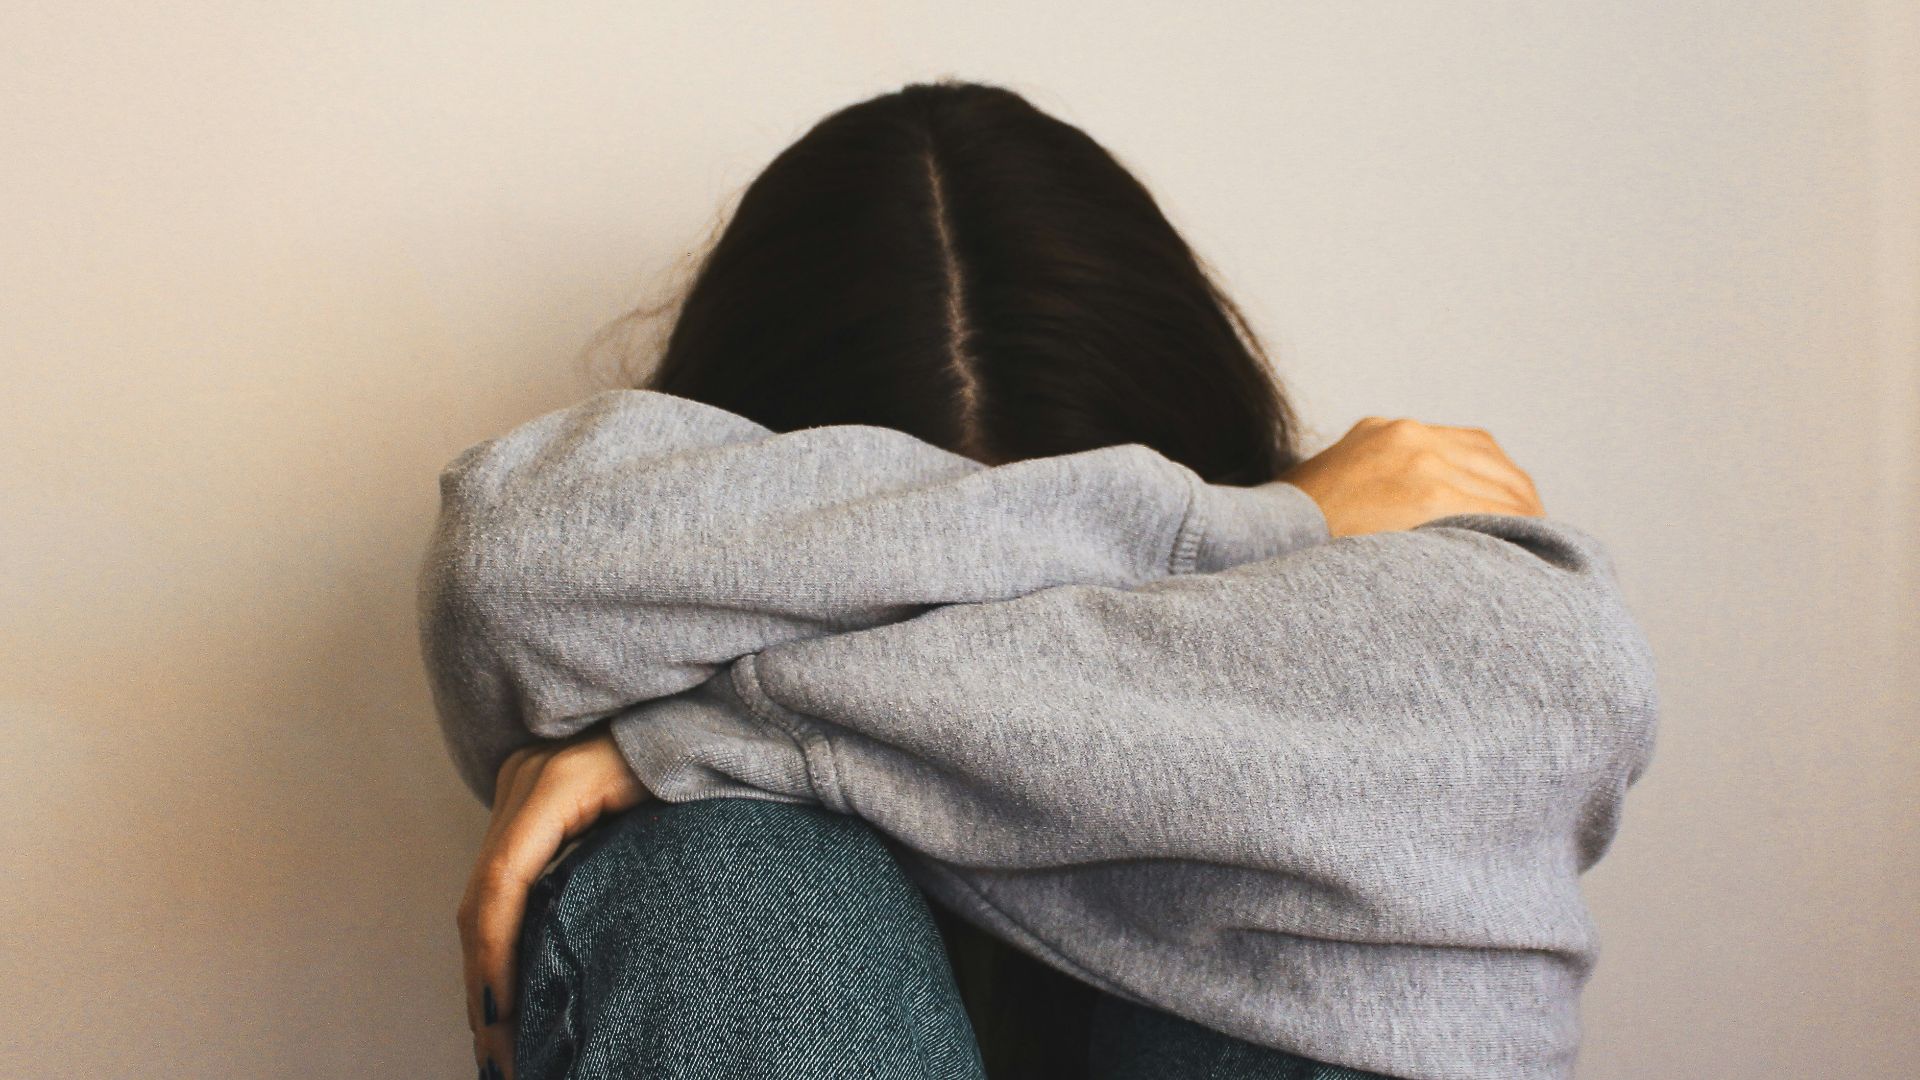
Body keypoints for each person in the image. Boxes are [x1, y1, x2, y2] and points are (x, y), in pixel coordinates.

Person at [416, 80, 1657, 1080]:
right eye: (931, 574)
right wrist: (1250, 532)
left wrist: (702, 726)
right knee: (721, 880)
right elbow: (508, 569)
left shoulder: (1394, 593)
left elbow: (1562, 682)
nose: (1004, 636)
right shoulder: (1283, 529)